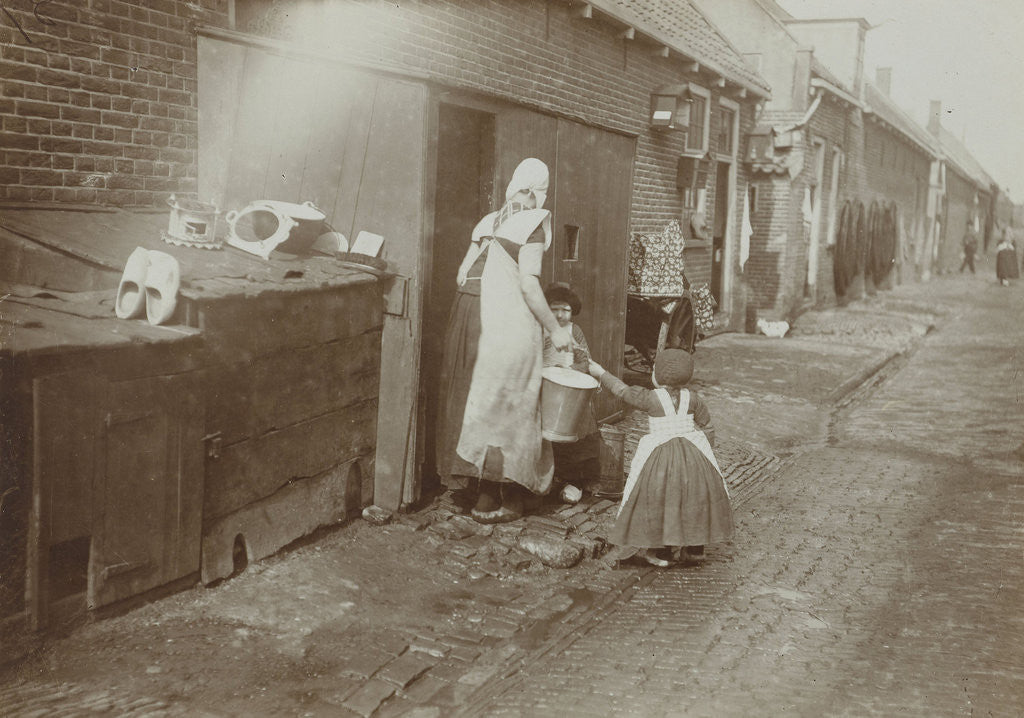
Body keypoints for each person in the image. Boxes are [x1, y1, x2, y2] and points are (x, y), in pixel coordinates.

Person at [435, 158, 572, 524]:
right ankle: (508, 497)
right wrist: (555, 329)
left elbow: (462, 274)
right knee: (512, 400)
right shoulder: (533, 224)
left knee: (474, 402)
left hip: (467, 317)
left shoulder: (488, 222)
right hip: (502, 320)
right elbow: (528, 284)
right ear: (538, 192)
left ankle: (474, 492)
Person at [587, 349, 733, 567]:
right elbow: (708, 426)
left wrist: (600, 372)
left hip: (661, 457)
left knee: (659, 498)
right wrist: (705, 450)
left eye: (654, 369)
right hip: (694, 456)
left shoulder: (651, 398)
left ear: (659, 375)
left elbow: (622, 391)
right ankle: (695, 550)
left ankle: (662, 553)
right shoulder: (693, 399)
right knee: (694, 498)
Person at [542, 282, 600, 501]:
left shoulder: (574, 331)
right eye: (554, 309)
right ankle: (544, 477)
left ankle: (573, 480)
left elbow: (585, 360)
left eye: (565, 310)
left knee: (578, 427)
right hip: (544, 387)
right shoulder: (541, 329)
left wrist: (572, 369)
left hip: (568, 389)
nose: (560, 315)